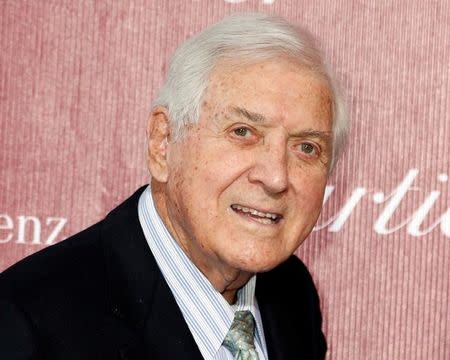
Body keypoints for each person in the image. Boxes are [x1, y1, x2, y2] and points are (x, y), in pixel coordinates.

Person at [0, 13, 347, 360]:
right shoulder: (25, 323)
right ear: (163, 142)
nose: (275, 177)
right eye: (242, 132)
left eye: (306, 147)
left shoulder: (291, 293)